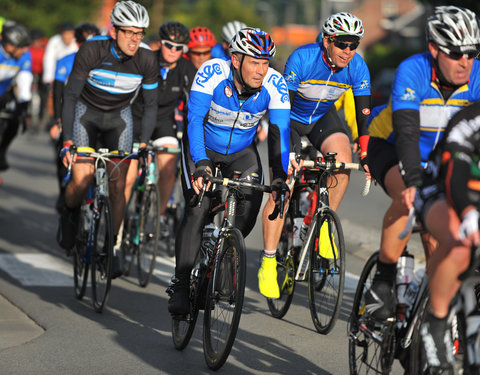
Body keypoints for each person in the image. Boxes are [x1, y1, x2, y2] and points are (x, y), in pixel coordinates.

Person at [365, 5, 480, 322]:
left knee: (441, 233)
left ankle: (430, 310)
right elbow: (406, 133)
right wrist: (415, 184)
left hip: (442, 157)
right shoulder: (413, 70)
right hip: (390, 145)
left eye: (472, 52)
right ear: (434, 49)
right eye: (456, 53)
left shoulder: (478, 77)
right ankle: (383, 282)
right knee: (408, 200)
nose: (465, 62)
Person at [167, 27, 291, 316]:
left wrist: (281, 177)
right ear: (235, 60)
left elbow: (280, 133)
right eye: (254, 62)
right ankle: (182, 283)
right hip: (203, 149)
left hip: (241, 154)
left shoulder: (275, 83)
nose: (262, 70)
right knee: (198, 208)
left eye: (266, 62)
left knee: (248, 208)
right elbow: (194, 120)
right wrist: (200, 163)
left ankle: (223, 258)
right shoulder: (212, 71)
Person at [258, 12, 371, 298]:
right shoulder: (303, 58)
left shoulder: (357, 67)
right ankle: (269, 261)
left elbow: (363, 117)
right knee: (284, 184)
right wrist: (288, 154)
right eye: (342, 44)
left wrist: (367, 153)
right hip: (291, 119)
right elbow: (282, 113)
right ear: (327, 41)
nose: (348, 51)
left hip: (322, 118)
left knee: (344, 160)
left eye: (353, 44)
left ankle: (323, 225)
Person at [57, 0, 158, 279]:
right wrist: (67, 140)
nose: (135, 40)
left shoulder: (148, 59)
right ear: (114, 31)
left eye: (140, 33)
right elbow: (71, 95)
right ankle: (69, 212)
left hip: (119, 119)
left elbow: (150, 106)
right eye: (129, 32)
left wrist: (144, 143)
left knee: (118, 186)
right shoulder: (92, 49)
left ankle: (111, 246)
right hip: (85, 115)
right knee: (81, 179)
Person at [413, 101, 480, 371]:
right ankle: (436, 321)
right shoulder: (469, 120)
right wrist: (467, 213)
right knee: (460, 242)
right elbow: (456, 172)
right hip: (442, 190)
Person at [128, 20, 196, 236]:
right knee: (128, 177)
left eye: (179, 48)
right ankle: (119, 226)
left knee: (168, 169)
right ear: (160, 44)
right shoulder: (146, 61)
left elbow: (194, 108)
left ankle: (159, 216)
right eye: (168, 45)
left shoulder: (187, 69)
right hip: (137, 120)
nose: (173, 51)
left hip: (164, 122)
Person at [50, 22, 100, 212]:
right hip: (70, 111)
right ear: (78, 44)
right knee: (62, 150)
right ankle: (64, 191)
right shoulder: (66, 60)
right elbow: (57, 92)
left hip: (93, 115)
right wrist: (58, 120)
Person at [0, 22, 33, 171]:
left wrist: (24, 110)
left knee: (13, 121)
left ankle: (2, 151)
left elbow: (25, 83)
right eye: (21, 47)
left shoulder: (24, 56)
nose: (25, 50)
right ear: (8, 45)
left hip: (4, 93)